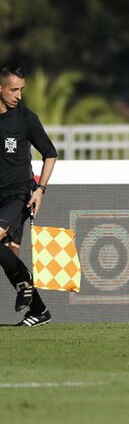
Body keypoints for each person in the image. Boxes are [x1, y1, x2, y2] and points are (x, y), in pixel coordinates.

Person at [0, 66, 57, 327]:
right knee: (7, 253)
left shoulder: (26, 118)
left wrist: (40, 190)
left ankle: (27, 285)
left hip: (18, 195)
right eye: (14, 89)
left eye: (21, 89)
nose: (18, 95)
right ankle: (39, 309)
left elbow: (50, 154)